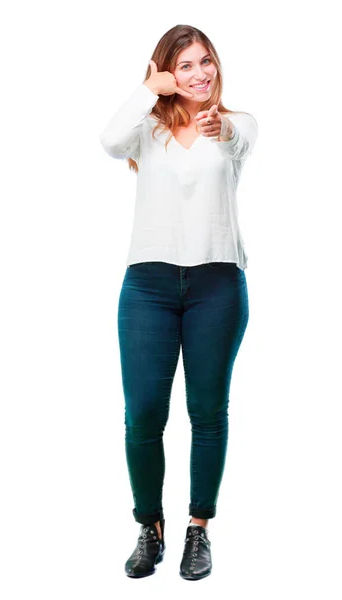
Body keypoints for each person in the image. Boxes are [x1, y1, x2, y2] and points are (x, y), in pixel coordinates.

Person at [99, 24, 258, 580]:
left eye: (205, 61)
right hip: (148, 286)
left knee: (208, 412)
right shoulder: (146, 128)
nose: (199, 73)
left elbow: (237, 144)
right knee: (142, 414)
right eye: (185, 65)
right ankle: (150, 526)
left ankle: (198, 530)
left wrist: (219, 128)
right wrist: (150, 89)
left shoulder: (234, 126)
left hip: (217, 284)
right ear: (167, 71)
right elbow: (108, 140)